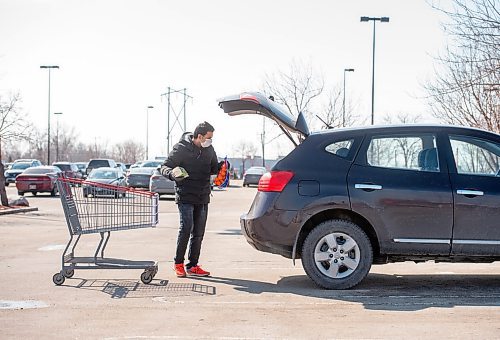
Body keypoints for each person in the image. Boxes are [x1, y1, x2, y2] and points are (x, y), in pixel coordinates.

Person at [160, 121, 219, 277]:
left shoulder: (209, 149)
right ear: (199, 136)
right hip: (185, 195)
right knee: (186, 228)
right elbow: (164, 167)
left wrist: (223, 168)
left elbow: (214, 168)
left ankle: (192, 265)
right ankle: (178, 263)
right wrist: (172, 173)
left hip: (203, 195)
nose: (210, 141)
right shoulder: (181, 148)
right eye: (208, 138)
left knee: (198, 232)